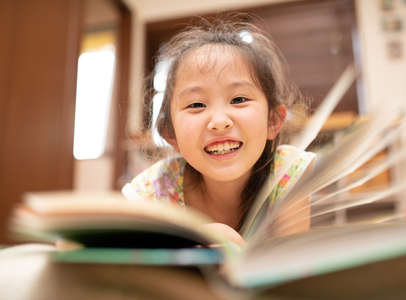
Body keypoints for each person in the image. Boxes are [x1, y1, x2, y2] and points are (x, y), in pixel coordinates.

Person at [122, 16, 315, 247]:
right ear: (170, 134)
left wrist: (239, 255)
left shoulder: (288, 172)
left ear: (272, 121)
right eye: (196, 105)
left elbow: (291, 268)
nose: (219, 122)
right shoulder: (154, 190)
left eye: (239, 99)